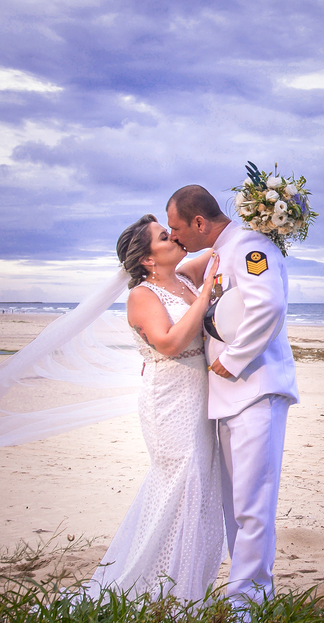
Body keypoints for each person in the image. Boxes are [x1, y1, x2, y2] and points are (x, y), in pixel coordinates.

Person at [165, 184, 299, 606]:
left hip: (256, 389)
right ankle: (244, 594)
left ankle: (251, 601)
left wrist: (236, 358)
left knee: (252, 505)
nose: (174, 238)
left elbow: (269, 306)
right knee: (235, 507)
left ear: (199, 222)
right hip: (229, 397)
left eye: (177, 228)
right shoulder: (223, 252)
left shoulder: (249, 246)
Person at [85, 214, 226, 601]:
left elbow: (220, 246)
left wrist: (262, 215)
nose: (175, 238)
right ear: (148, 259)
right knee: (180, 485)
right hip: (168, 400)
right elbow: (168, 344)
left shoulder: (183, 278)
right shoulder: (141, 296)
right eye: (165, 236)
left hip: (198, 398)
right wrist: (204, 297)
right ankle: (157, 590)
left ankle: (187, 586)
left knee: (198, 487)